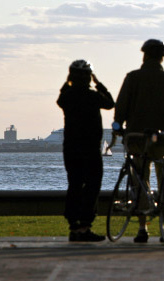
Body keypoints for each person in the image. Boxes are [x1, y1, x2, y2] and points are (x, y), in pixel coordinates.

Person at [113, 39, 164, 242]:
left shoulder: (132, 78)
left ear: (144, 55)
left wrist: (119, 126)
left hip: (137, 138)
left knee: (139, 180)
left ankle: (143, 228)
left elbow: (121, 107)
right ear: (163, 57)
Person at [57, 60, 114, 242]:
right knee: (92, 186)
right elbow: (110, 103)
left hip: (71, 148)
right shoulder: (93, 96)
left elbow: (61, 97)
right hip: (90, 148)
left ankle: (74, 225)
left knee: (74, 185)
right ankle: (85, 225)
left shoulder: (67, 97)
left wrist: (67, 82)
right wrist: (99, 84)